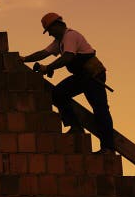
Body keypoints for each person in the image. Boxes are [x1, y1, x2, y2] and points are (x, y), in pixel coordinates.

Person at [19, 12, 115, 154]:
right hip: (83, 77)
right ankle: (76, 128)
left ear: (57, 25)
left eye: (50, 30)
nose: (50, 34)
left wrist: (48, 67)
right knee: (58, 94)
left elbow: (67, 58)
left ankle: (108, 148)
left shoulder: (70, 36)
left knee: (100, 110)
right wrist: (24, 59)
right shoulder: (60, 41)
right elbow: (43, 53)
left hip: (94, 76)